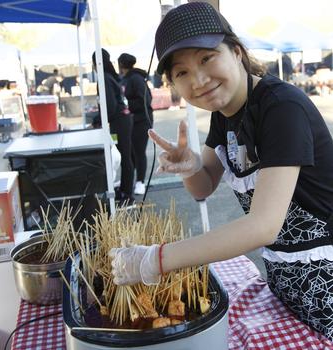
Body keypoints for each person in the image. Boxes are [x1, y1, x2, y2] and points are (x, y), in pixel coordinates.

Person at [110, 2, 333, 340]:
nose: (198, 80)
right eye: (181, 72)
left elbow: (263, 226)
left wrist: (156, 259)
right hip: (287, 283)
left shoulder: (281, 108)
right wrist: (189, 167)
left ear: (237, 52)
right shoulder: (224, 114)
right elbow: (202, 187)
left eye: (206, 58)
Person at [92, 49, 135, 205]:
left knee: (124, 156)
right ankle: (125, 189)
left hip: (120, 123)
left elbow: (109, 107)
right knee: (125, 156)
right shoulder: (110, 77)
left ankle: (127, 193)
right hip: (122, 121)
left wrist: (98, 119)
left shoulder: (104, 78)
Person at [118, 53, 154, 195]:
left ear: (121, 64)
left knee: (139, 152)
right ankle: (130, 180)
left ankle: (140, 182)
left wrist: (125, 105)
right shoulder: (125, 79)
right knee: (131, 152)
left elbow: (144, 101)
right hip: (130, 121)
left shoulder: (136, 79)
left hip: (141, 121)